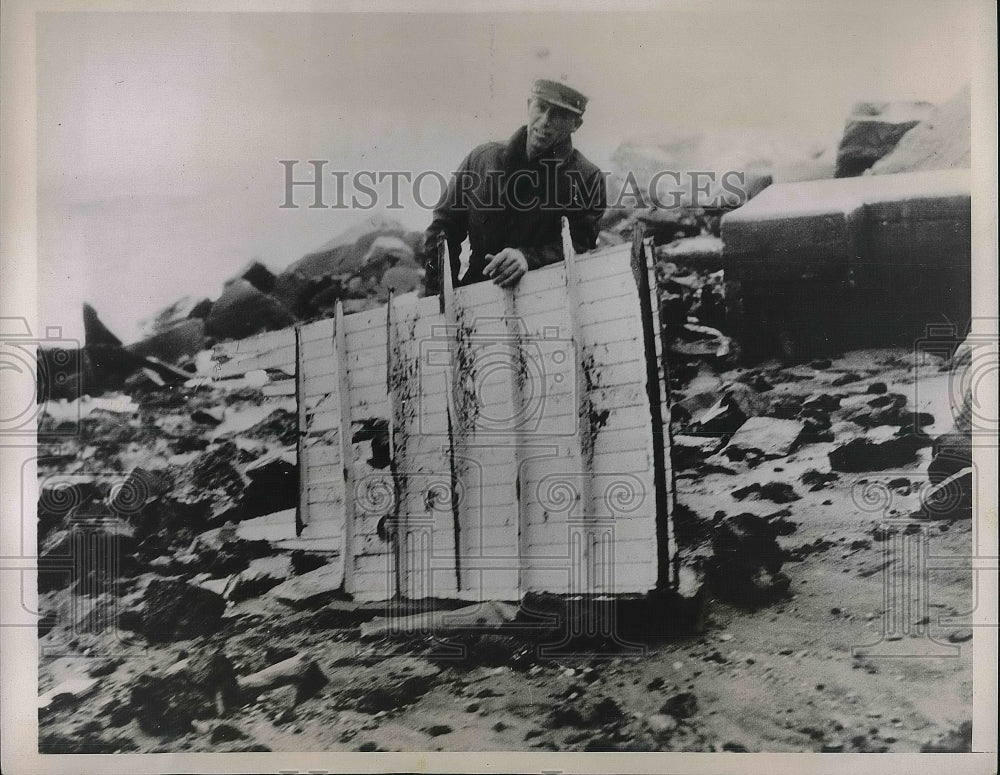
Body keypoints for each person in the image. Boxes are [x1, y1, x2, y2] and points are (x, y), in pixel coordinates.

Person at [420, 79, 607, 295]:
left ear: (575, 124)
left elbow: (580, 244)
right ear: (529, 105)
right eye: (541, 108)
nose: (545, 121)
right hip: (475, 298)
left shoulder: (587, 178)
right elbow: (443, 229)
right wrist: (441, 298)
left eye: (559, 114)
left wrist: (527, 257)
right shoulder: (482, 160)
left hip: (546, 299)